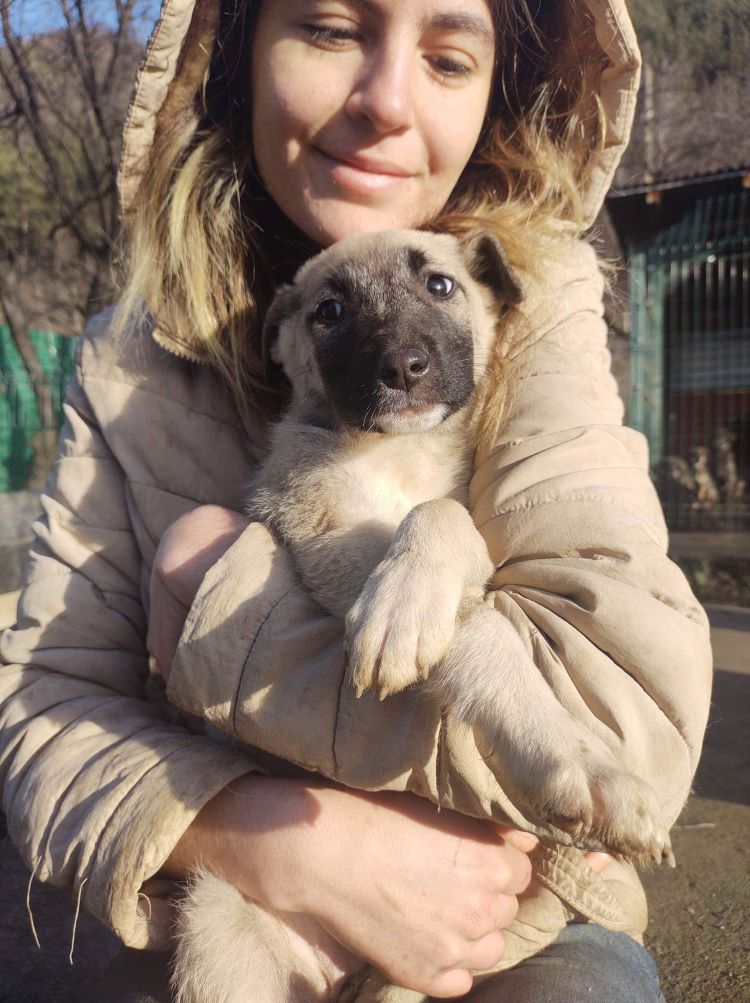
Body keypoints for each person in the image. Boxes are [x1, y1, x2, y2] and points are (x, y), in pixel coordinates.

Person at [0, 1, 713, 1001]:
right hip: (243, 907)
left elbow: (628, 733)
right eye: (333, 30)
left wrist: (213, 592)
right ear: (237, 56)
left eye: (449, 56)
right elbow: (43, 709)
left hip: (514, 919)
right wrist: (266, 839)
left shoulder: (534, 295)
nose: (386, 102)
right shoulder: (128, 363)